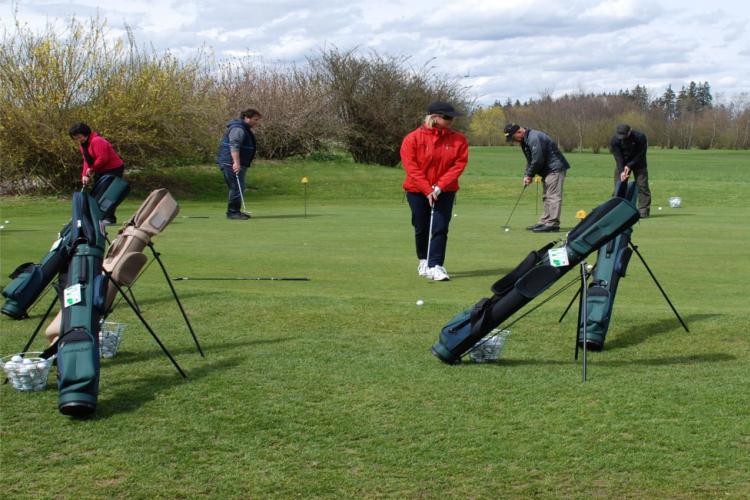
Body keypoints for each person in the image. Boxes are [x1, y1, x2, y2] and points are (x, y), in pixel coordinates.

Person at [401, 101, 469, 281]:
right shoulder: (412, 138)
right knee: (421, 226)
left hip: (445, 190)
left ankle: (436, 265)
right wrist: (426, 189)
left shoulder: (458, 139)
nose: (451, 121)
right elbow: (411, 167)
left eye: (452, 117)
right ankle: (423, 260)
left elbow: (458, 165)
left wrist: (439, 187)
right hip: (416, 190)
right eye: (447, 117)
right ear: (433, 117)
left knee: (440, 227)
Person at [503, 123, 570, 232]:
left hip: (555, 168)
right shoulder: (524, 141)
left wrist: (530, 175)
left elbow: (538, 160)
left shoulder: (534, 138)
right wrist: (527, 175)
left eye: (513, 137)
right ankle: (544, 221)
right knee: (546, 196)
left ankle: (552, 224)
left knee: (552, 196)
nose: (514, 141)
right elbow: (530, 161)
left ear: (519, 132)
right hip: (548, 170)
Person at [69, 122, 125, 224]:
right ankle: (97, 217)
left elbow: (103, 158)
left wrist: (92, 168)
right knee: (97, 194)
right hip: (101, 170)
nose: (78, 140)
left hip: (114, 169)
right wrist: (84, 175)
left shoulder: (97, 141)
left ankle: (109, 218)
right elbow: (86, 160)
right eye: (75, 138)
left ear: (85, 133)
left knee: (108, 194)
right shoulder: (83, 145)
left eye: (79, 137)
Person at [216, 109, 262, 220]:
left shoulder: (244, 128)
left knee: (238, 186)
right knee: (236, 187)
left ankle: (236, 211)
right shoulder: (238, 129)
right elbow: (234, 146)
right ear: (247, 118)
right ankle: (232, 212)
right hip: (230, 162)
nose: (257, 122)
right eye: (255, 120)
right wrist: (236, 162)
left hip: (235, 162)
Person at [611, 124, 651, 218]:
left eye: (624, 135)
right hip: (622, 163)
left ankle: (643, 210)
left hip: (639, 163)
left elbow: (641, 154)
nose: (622, 138)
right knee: (619, 185)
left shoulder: (640, 137)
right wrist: (622, 171)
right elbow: (618, 157)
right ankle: (616, 209)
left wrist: (629, 166)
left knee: (642, 186)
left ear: (630, 131)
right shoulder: (615, 140)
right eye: (620, 135)